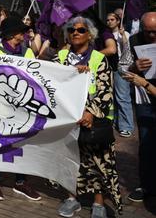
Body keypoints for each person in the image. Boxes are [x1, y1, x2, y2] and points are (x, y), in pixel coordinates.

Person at [56, 16, 121, 218]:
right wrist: (70, 72)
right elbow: (50, 83)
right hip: (67, 121)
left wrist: (90, 112)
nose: (75, 32)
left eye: (81, 30)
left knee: (96, 162)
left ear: (90, 34)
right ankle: (71, 199)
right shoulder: (59, 58)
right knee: (68, 160)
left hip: (93, 120)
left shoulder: (99, 59)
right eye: (71, 29)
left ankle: (99, 203)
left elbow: (106, 91)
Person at [0, 15, 41, 201]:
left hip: (23, 107)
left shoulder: (27, 52)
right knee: (0, 142)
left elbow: (38, 75)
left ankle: (21, 182)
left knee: (22, 143)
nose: (24, 34)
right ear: (12, 34)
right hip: (0, 107)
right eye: (21, 32)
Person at [124, 12, 156, 203]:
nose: (152, 36)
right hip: (145, 100)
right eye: (148, 32)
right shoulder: (134, 40)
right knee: (146, 143)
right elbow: (122, 68)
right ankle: (147, 185)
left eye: (155, 32)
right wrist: (134, 67)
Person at [106, 12, 133, 138]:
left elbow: (127, 50)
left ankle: (127, 126)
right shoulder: (107, 35)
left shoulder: (125, 34)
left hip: (122, 68)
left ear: (118, 21)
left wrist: (123, 36)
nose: (109, 22)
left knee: (123, 98)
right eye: (107, 20)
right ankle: (118, 123)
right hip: (111, 68)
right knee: (115, 98)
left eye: (112, 19)